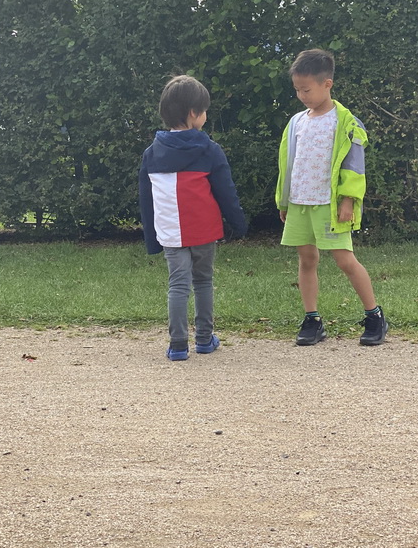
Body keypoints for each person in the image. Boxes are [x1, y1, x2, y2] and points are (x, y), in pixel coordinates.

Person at [275, 49, 389, 347]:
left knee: (344, 260)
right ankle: (312, 319)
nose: (302, 95)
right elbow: (288, 165)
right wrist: (284, 201)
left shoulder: (346, 122)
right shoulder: (296, 122)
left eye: (307, 89)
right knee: (307, 258)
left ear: (327, 84)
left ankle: (374, 315)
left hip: (329, 205)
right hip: (300, 203)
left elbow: (354, 166)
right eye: (297, 90)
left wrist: (348, 200)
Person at [139, 75, 247, 361]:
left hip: (171, 231)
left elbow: (146, 201)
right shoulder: (210, 150)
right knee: (202, 281)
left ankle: (177, 345)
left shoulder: (151, 154)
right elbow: (226, 192)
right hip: (203, 230)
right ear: (193, 114)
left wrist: (151, 240)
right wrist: (239, 223)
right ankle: (203, 339)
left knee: (177, 284)